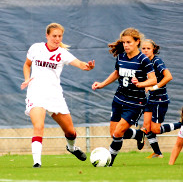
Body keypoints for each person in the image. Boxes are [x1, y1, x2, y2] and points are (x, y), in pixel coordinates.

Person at [21, 23, 95, 168]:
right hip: (36, 92)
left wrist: (87, 66)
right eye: (54, 36)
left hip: (54, 95)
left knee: (70, 131)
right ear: (47, 35)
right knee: (39, 126)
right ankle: (37, 162)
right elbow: (27, 65)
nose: (57, 38)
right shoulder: (36, 48)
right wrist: (26, 79)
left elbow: (80, 64)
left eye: (59, 36)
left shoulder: (62, 53)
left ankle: (72, 148)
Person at [92, 28, 157, 166]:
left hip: (135, 103)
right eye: (124, 42)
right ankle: (138, 134)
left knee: (118, 133)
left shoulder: (143, 59)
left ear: (137, 42)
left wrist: (140, 84)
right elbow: (116, 73)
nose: (126, 45)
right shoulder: (121, 56)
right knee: (114, 133)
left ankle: (108, 162)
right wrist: (102, 84)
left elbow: (153, 80)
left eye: (129, 42)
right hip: (119, 99)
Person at [123, 39, 181, 158]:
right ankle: (157, 153)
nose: (145, 51)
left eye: (148, 48)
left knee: (155, 129)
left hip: (160, 99)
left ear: (153, 49)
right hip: (150, 99)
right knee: (146, 127)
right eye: (143, 48)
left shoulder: (157, 61)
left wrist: (154, 87)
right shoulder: (143, 62)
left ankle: (181, 124)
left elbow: (169, 77)